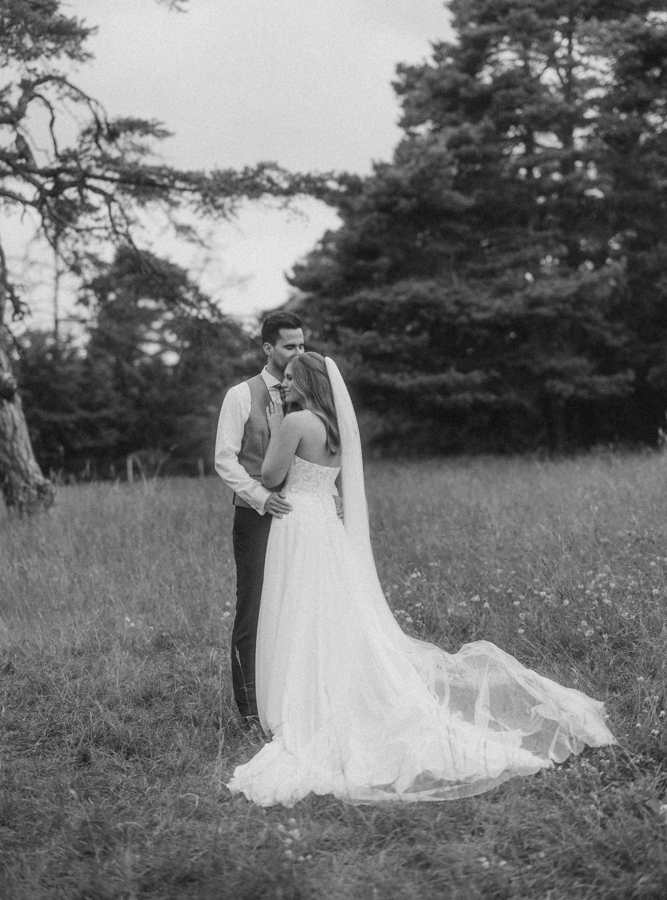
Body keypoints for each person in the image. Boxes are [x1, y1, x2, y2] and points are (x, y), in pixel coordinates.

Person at [226, 352, 616, 806]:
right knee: (330, 610)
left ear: (309, 383)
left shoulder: (294, 422)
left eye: (293, 379)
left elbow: (272, 476)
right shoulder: (335, 427)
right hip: (326, 528)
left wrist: (276, 425)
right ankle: (331, 685)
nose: (286, 385)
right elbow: (330, 481)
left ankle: (306, 697)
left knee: (299, 610)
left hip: (298, 525)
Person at [215, 311, 305, 722]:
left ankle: (290, 698)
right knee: (253, 606)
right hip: (256, 515)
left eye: (302, 345)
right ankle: (250, 709)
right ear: (268, 348)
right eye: (289, 346)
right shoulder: (241, 395)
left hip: (303, 515)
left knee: (296, 604)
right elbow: (224, 459)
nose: (298, 352)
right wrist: (260, 497)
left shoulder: (308, 392)